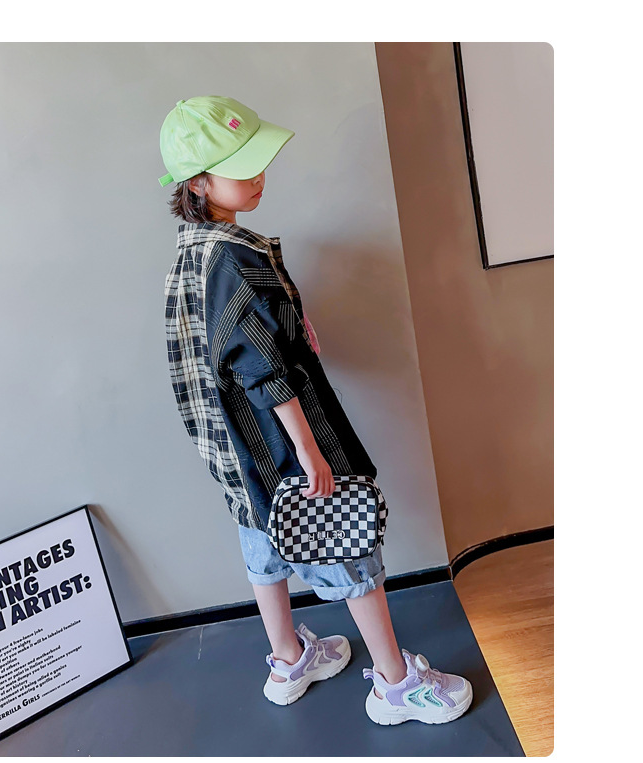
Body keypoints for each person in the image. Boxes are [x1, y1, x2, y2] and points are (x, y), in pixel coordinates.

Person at [160, 95, 472, 725]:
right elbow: (259, 368)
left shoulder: (192, 253)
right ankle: (394, 685)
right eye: (240, 168)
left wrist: (291, 325)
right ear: (198, 182)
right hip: (280, 436)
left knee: (261, 536)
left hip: (236, 450)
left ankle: (288, 658)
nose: (258, 177)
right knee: (342, 539)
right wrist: (306, 449)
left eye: (258, 162)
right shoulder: (233, 258)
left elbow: (223, 347)